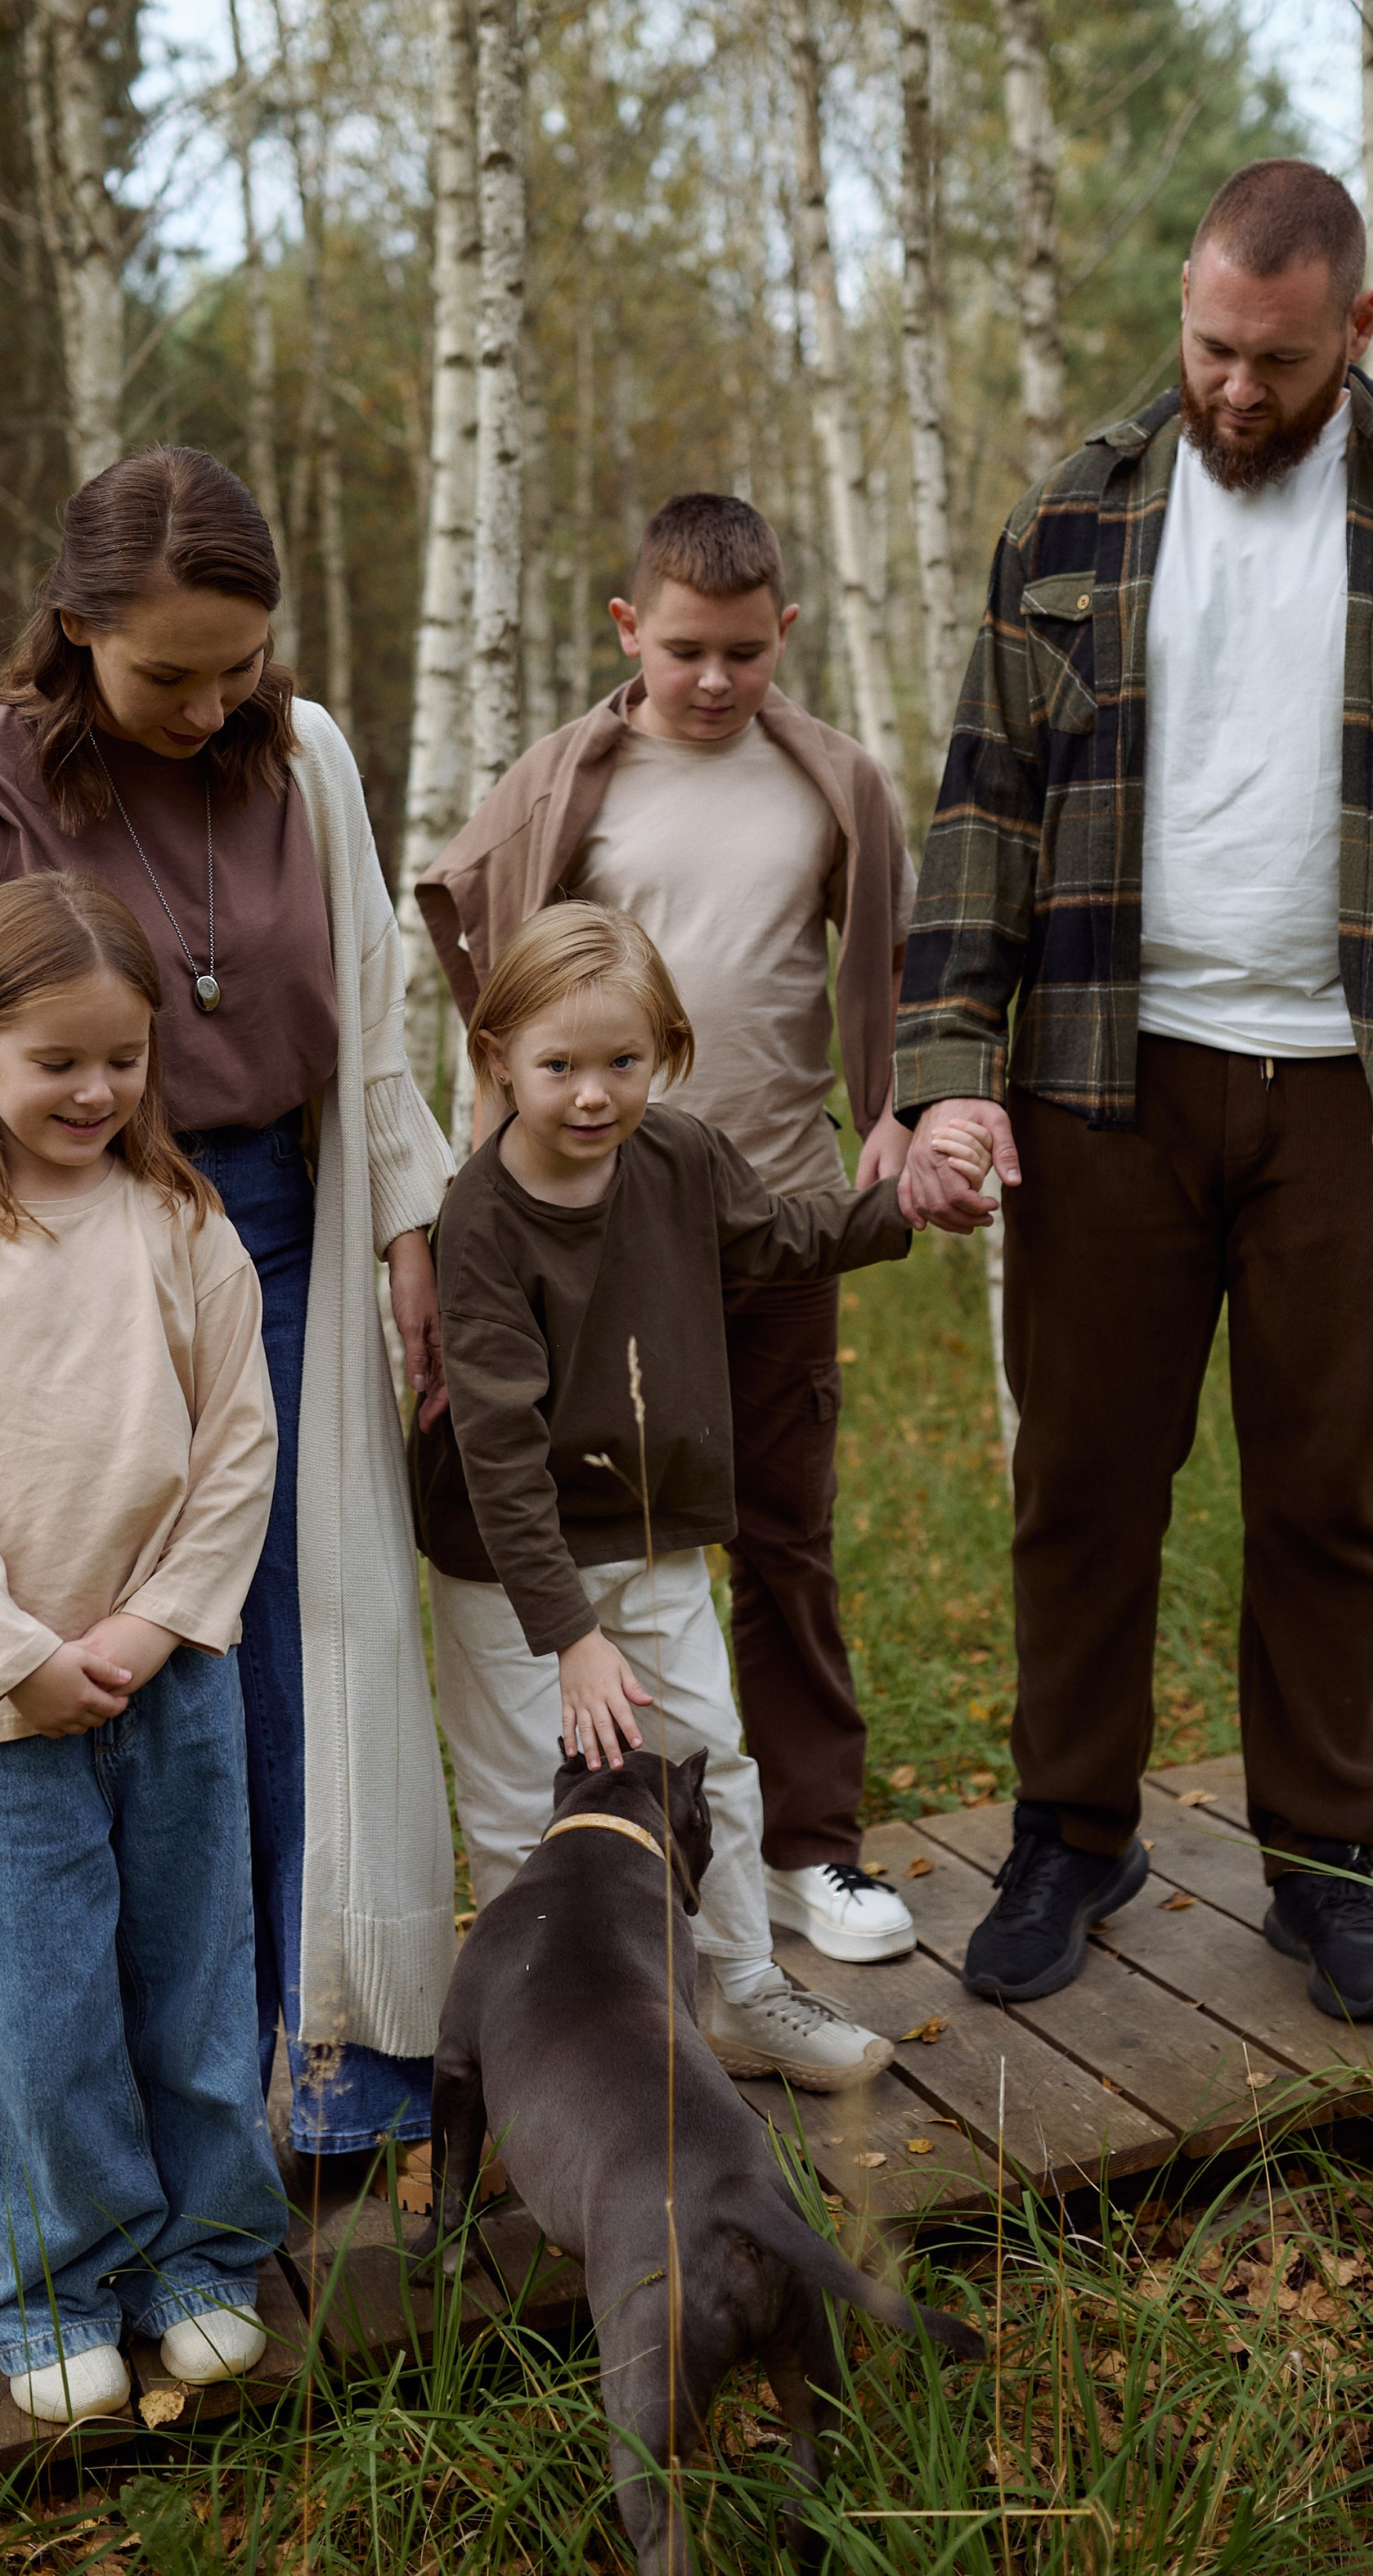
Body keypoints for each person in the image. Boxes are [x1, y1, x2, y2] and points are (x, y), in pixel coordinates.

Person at [895, 160, 1373, 2024]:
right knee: (1081, 1481)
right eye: (1209, 345)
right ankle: (1072, 1831)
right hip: (1097, 1086)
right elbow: (979, 813)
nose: (1230, 388)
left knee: (1323, 1498)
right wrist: (948, 1069)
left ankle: (1319, 1860)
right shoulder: (1069, 516)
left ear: (1352, 332)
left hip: (1357, 1102)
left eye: (1273, 362)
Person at [0, 447, 457, 2172]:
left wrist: (404, 1229)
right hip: (51, 1273)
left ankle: (333, 2066)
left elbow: (376, 1024)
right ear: (76, 627)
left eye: (235, 663)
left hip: (283, 1236)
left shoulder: (310, 757)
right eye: (164, 672)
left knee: (294, 1655)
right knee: (119, 1686)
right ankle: (135, 2123)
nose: (208, 703)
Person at [417, 494, 920, 1969]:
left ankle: (807, 1855)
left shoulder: (831, 783)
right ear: (633, 630)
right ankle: (591, 1881)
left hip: (772, 1209)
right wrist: (527, 1121)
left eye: (747, 653)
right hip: (597, 1237)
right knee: (592, 1535)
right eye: (688, 648)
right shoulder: (571, 777)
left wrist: (899, 1121)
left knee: (782, 1538)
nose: (715, 679)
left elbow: (886, 960)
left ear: (787, 638)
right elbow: (474, 921)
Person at [0, 872, 288, 2423]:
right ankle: (54, 2284)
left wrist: (157, 1624)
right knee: (37, 2010)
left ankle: (205, 2255)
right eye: (57, 1061)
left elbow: (238, 1445)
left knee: (193, 1982)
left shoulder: (180, 1220)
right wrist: (15, 1651)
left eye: (122, 1057)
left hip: (175, 1673)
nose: (96, 1089)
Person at [414, 902, 945, 2091]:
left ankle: (743, 1990)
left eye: (623, 1063)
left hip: (652, 1538)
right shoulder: (480, 1221)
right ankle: (543, 2043)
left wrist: (899, 1206)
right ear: (497, 1057)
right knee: (521, 1812)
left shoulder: (683, 1157)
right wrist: (571, 1638)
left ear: (666, 1053)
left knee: (710, 1763)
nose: (593, 1095)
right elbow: (499, 1452)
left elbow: (778, 1236)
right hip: (509, 1570)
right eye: (558, 1066)